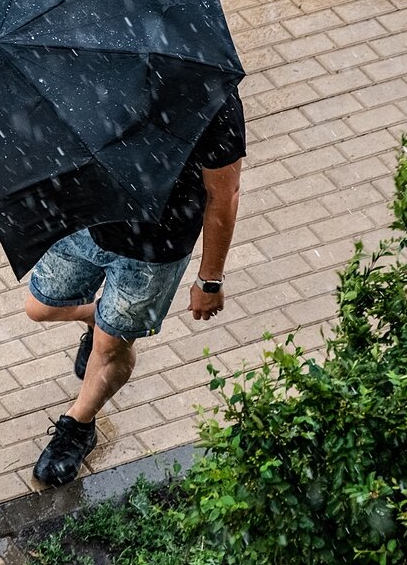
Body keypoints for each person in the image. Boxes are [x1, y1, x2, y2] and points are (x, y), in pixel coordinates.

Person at [23, 89, 246, 486]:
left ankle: (79, 425)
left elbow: (223, 196)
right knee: (40, 307)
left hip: (155, 248)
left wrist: (209, 279)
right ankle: (101, 320)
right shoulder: (94, 62)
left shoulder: (213, 97)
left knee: (111, 348)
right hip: (85, 223)